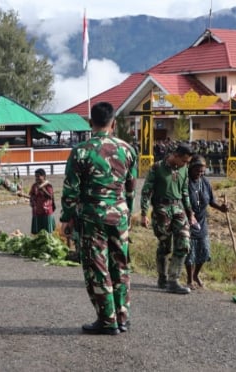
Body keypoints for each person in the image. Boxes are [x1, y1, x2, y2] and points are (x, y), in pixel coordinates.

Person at [60, 102, 137, 336]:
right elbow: (131, 188)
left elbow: (71, 189)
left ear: (90, 123)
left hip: (93, 216)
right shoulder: (127, 149)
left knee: (97, 266)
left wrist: (67, 218)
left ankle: (107, 320)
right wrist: (128, 213)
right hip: (120, 215)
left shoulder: (81, 151)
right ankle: (122, 317)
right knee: (120, 264)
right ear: (113, 123)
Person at [140, 143, 196, 294]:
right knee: (165, 246)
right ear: (175, 155)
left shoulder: (184, 169)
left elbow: (184, 191)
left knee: (184, 243)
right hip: (161, 210)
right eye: (184, 161)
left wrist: (190, 213)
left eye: (187, 162)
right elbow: (146, 191)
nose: (185, 164)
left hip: (178, 208)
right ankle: (162, 277)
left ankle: (173, 280)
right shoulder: (157, 168)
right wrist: (144, 213)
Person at [185, 155, 228, 289]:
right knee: (190, 251)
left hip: (202, 220)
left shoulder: (205, 182)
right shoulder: (185, 182)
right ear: (191, 169)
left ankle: (196, 275)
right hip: (188, 220)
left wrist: (221, 208)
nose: (200, 173)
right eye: (197, 171)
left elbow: (211, 201)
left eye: (202, 171)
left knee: (204, 250)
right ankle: (189, 279)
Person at [26, 168, 55, 234]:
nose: (36, 178)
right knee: (38, 233)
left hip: (46, 212)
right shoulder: (34, 186)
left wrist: (43, 189)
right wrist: (31, 201)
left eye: (38, 176)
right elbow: (31, 195)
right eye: (35, 176)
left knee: (47, 233)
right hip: (37, 212)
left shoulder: (48, 186)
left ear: (44, 176)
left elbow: (50, 196)